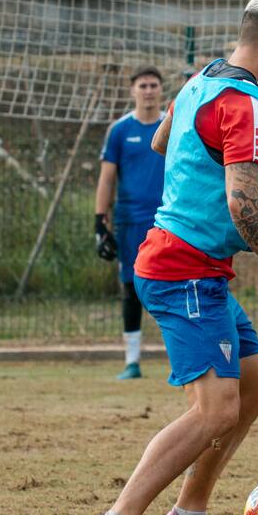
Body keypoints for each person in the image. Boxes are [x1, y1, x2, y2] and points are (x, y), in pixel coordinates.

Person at [80, 0, 258, 515]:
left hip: (191, 265)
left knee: (253, 390)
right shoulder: (250, 105)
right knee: (214, 411)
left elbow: (163, 141)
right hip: (183, 269)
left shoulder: (203, 80)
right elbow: (243, 200)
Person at [95, 65, 167, 380]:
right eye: (143, 85)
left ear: (161, 90)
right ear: (132, 90)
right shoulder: (120, 130)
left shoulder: (172, 125)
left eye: (153, 85)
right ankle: (132, 362)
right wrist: (100, 220)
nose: (148, 90)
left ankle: (182, 358)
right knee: (131, 287)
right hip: (130, 221)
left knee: (171, 284)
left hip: (168, 220)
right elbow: (107, 178)